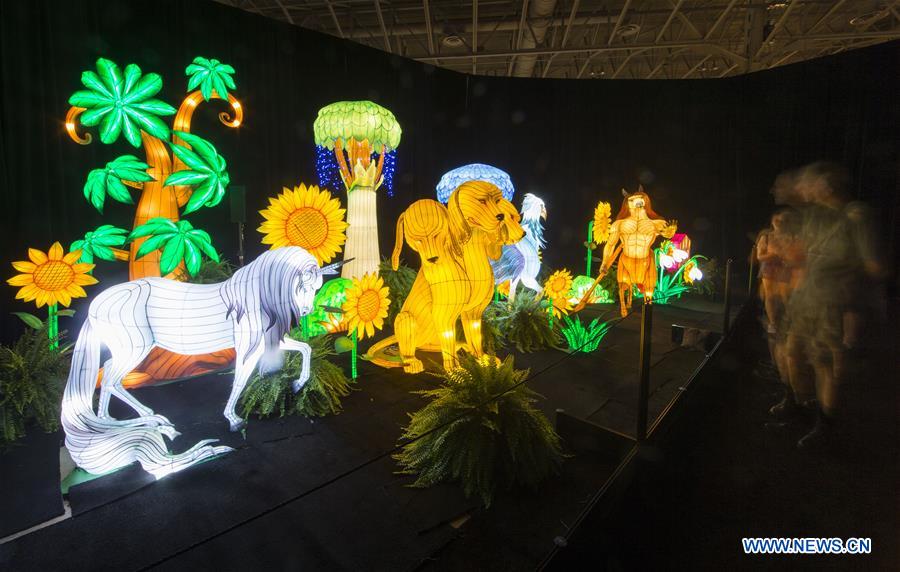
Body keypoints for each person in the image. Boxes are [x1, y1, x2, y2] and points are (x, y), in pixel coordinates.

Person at [783, 161, 885, 449]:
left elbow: (874, 265)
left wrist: (853, 294)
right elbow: (804, 255)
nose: (804, 186)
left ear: (826, 184)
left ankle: (826, 426)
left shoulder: (855, 215)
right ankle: (799, 407)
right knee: (793, 352)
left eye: (809, 181)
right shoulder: (818, 216)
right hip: (808, 299)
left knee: (823, 364)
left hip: (832, 302)